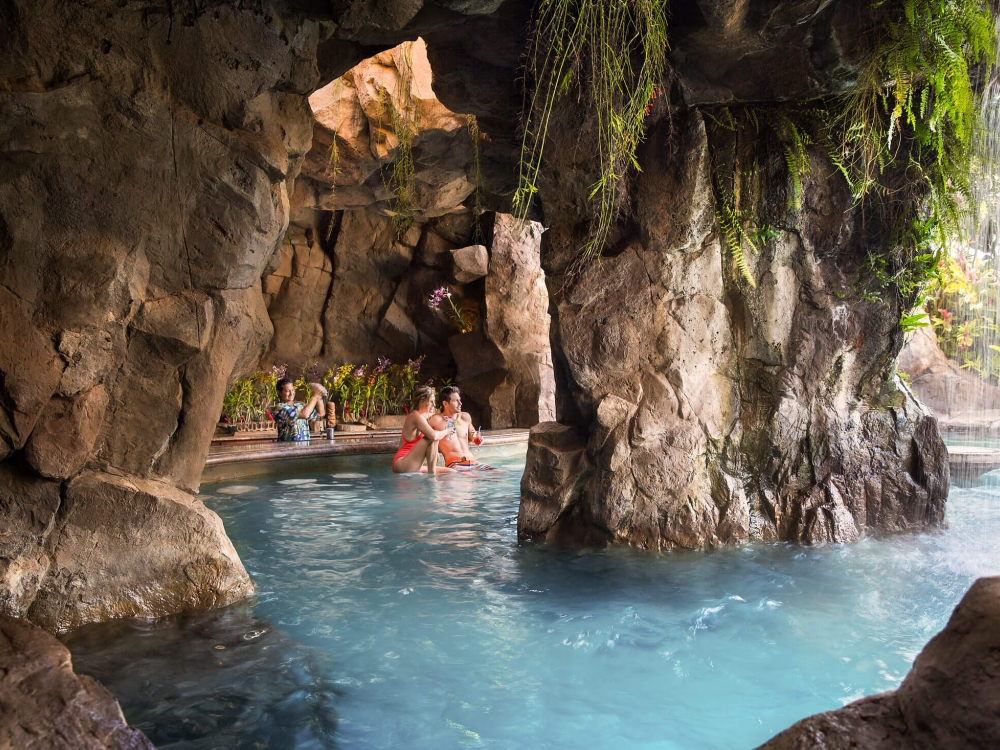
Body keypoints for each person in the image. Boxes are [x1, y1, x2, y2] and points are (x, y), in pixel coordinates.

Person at [392, 385, 456, 474]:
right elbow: (433, 436)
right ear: (422, 401)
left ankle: (432, 474)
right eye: (431, 402)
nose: (434, 405)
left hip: (415, 465)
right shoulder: (415, 417)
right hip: (403, 464)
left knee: (451, 472)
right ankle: (432, 477)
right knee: (433, 436)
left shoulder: (424, 416)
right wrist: (447, 431)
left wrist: (435, 451)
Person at [429, 386, 491, 470]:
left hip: (473, 462)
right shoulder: (436, 420)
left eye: (459, 400)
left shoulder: (465, 417)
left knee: (498, 474)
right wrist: (433, 449)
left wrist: (477, 437)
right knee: (468, 477)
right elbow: (423, 434)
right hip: (455, 464)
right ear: (445, 404)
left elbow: (473, 432)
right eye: (456, 401)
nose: (460, 403)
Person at [273, 378, 327, 442]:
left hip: (304, 447)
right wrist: (315, 396)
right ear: (279, 392)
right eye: (287, 391)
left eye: (292, 390)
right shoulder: (279, 408)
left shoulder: (300, 405)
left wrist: (319, 395)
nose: (291, 393)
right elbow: (304, 414)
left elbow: (321, 414)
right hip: (288, 449)